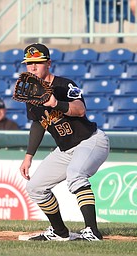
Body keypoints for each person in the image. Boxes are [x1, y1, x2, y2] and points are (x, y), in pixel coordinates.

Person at [18, 43, 110, 241]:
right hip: (66, 148)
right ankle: (60, 233)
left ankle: (92, 231)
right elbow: (38, 124)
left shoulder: (63, 84)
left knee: (76, 175)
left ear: (48, 63)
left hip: (91, 140)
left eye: (37, 63)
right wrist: (28, 156)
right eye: (28, 63)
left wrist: (55, 103)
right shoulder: (31, 93)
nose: (32, 67)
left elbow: (80, 109)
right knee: (35, 187)